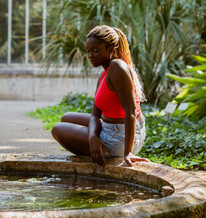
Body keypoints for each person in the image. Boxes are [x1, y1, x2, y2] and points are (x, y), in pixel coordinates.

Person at [51, 25, 149, 167]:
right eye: (88, 51)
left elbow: (131, 112)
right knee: (66, 118)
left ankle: (102, 154)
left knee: (57, 129)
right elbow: (95, 115)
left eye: (96, 51)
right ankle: (95, 149)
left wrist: (127, 153)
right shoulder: (105, 73)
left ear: (110, 49)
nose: (91, 55)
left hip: (121, 138)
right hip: (109, 128)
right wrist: (92, 137)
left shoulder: (117, 67)